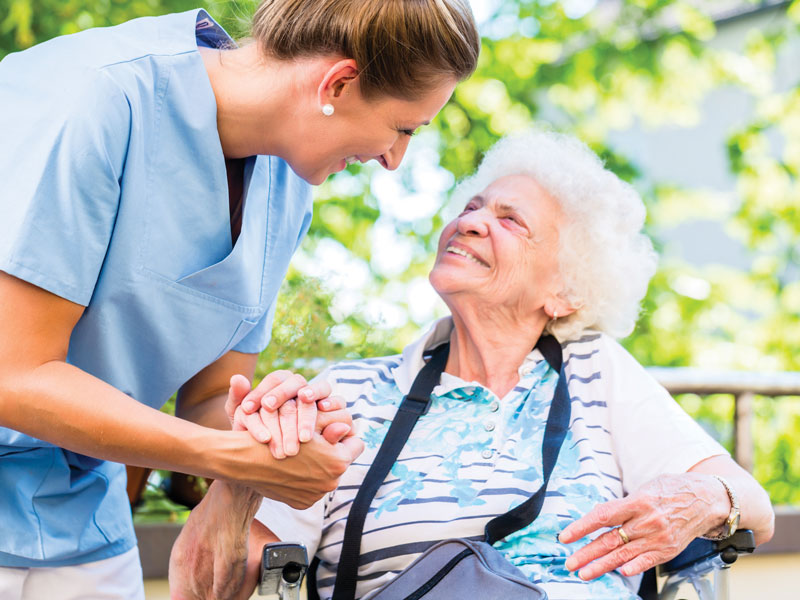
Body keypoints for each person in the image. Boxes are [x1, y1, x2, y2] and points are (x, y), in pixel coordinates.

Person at [0, 1, 480, 598]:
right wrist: (227, 456)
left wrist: (276, 428)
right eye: (404, 127)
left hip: (79, 520)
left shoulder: (286, 186)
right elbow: (12, 376)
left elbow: (205, 399)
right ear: (339, 82)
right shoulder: (96, 97)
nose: (394, 159)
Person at [173, 130, 775, 599]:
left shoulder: (597, 373)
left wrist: (699, 497)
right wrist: (239, 478)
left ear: (565, 292)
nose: (472, 219)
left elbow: (753, 506)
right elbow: (206, 590)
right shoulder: (347, 395)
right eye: (473, 205)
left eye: (511, 220)